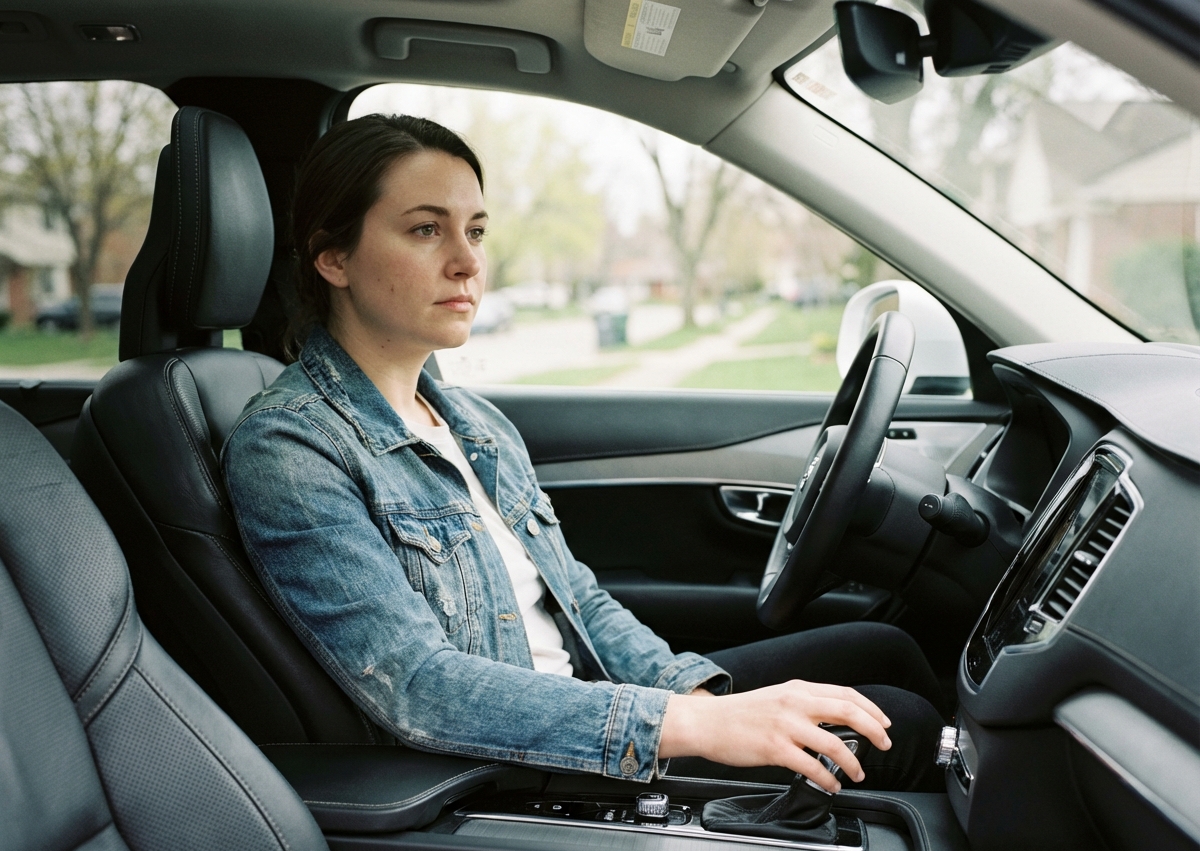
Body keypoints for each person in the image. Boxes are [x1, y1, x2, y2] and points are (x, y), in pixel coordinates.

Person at [222, 114, 946, 795]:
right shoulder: (290, 446)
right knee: (899, 727)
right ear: (333, 258)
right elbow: (418, 687)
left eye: (476, 230)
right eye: (424, 230)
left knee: (883, 649)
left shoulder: (473, 420)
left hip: (595, 704)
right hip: (515, 765)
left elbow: (581, 600)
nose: (467, 261)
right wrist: (690, 726)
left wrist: (684, 692)